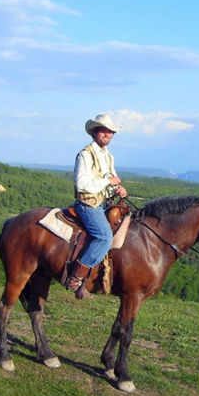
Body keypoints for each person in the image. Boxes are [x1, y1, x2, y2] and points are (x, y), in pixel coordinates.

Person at [65, 113, 128, 298]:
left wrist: (118, 189)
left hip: (103, 203)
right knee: (104, 237)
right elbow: (82, 183)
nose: (107, 134)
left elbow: (111, 183)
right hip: (88, 205)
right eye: (103, 130)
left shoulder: (109, 157)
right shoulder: (85, 154)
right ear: (95, 132)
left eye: (110, 132)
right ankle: (76, 277)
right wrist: (108, 180)